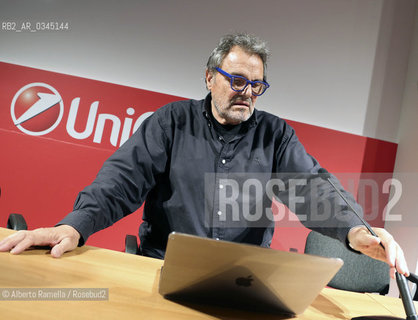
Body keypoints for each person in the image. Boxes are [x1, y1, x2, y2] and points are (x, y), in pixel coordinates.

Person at [0, 33, 409, 279]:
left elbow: (313, 189)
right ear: (210, 76)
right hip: (163, 270)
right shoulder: (171, 122)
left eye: (256, 84)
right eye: (236, 80)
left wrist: (357, 232)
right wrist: (75, 226)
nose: (246, 91)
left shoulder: (275, 134)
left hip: (242, 283)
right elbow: (120, 182)